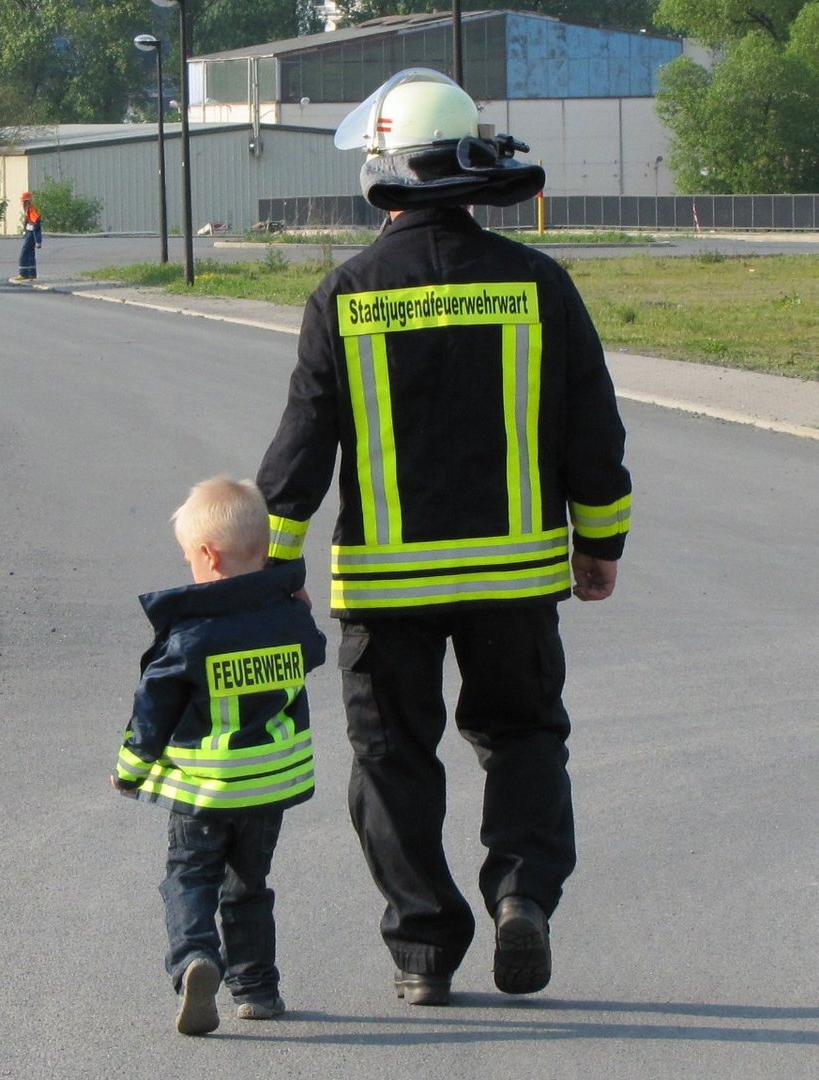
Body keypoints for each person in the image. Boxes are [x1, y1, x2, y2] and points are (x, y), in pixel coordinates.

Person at [254, 69, 632, 1007]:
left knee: (390, 762)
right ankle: (520, 896)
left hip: (386, 588)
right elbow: (593, 430)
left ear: (383, 169)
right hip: (514, 579)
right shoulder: (537, 282)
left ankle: (423, 953)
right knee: (523, 735)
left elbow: (300, 447)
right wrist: (600, 542)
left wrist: (272, 565)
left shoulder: (343, 294)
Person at [112, 476, 325, 1036]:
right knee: (249, 883)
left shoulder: (192, 633)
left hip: (204, 787)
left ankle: (194, 960)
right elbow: (317, 650)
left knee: (189, 875)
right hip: (268, 786)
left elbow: (152, 710)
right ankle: (256, 989)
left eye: (190, 559)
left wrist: (129, 770)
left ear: (206, 555)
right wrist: (293, 599)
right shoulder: (290, 620)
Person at [12, 190, 42, 281]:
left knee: (24, 254)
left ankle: (24, 274)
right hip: (29, 234)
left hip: (31, 236)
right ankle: (31, 274)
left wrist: (38, 241)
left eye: (23, 202)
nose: (22, 204)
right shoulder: (29, 210)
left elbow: (36, 226)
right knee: (30, 254)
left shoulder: (32, 211)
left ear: (27, 202)